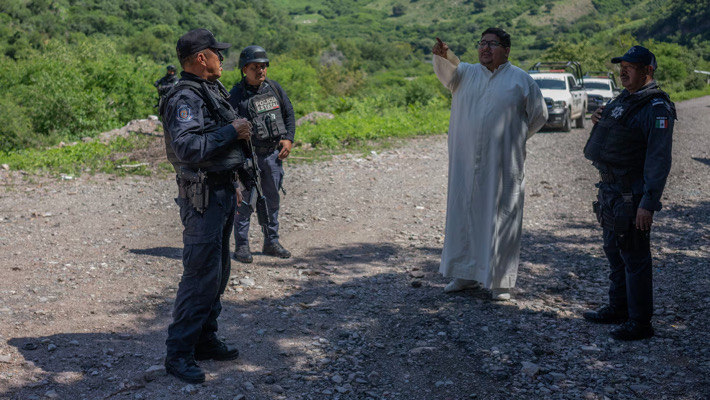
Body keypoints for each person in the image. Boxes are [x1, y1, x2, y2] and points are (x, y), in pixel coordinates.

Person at [159, 28, 252, 383]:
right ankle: (179, 353)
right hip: (203, 198)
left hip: (221, 191)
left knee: (218, 272)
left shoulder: (207, 89)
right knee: (200, 276)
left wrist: (235, 179)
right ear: (201, 58)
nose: (222, 58)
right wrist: (233, 131)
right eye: (217, 52)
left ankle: (205, 339)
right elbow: (186, 147)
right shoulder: (185, 95)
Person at [432, 28, 547, 301]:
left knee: (502, 215)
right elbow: (448, 70)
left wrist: (513, 137)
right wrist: (444, 54)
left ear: (506, 50)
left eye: (492, 44)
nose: (485, 48)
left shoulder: (521, 79)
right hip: (465, 161)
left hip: (503, 163)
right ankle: (465, 275)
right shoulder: (465, 74)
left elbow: (539, 115)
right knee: (465, 211)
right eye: (482, 43)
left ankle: (501, 282)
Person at [582, 45, 676, 341]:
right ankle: (618, 308)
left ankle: (640, 323)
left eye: (630, 67)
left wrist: (648, 204)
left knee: (634, 256)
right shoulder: (625, 99)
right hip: (610, 192)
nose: (623, 71)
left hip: (631, 195)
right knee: (615, 252)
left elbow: (659, 160)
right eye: (621, 66)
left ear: (648, 71)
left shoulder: (656, 107)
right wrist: (600, 119)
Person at [229, 45, 296, 263]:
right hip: (249, 158)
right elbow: (229, 128)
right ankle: (242, 246)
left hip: (273, 156)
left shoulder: (274, 88)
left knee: (271, 200)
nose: (261, 71)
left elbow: (289, 114)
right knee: (245, 203)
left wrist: (289, 139)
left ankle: (271, 242)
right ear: (244, 69)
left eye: (264, 66)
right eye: (255, 67)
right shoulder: (236, 95)